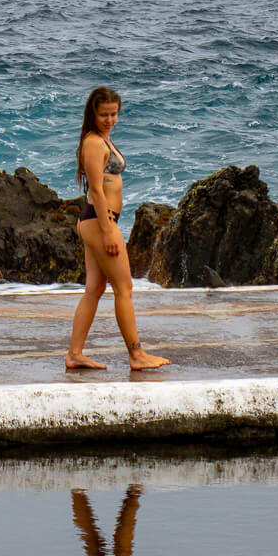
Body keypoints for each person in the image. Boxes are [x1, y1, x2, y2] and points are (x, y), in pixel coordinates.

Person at [65, 85, 169, 372]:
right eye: (104, 115)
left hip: (97, 221)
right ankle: (136, 355)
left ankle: (75, 354)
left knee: (94, 289)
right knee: (124, 287)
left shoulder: (103, 139)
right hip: (100, 221)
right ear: (92, 114)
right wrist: (110, 229)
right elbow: (96, 191)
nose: (109, 120)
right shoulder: (94, 143)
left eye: (114, 114)